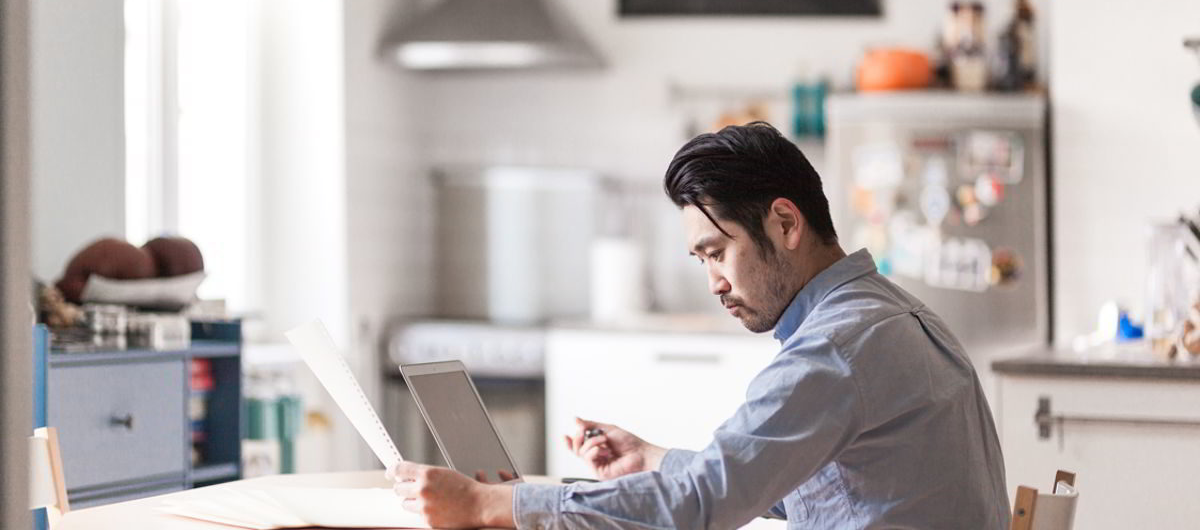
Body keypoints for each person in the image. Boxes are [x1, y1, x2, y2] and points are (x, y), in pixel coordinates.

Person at [388, 122, 1010, 529]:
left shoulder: (835, 350)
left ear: (785, 224)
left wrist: (489, 504)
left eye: (718, 252)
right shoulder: (897, 316)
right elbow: (813, 495)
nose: (713, 281)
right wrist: (653, 459)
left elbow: (704, 504)